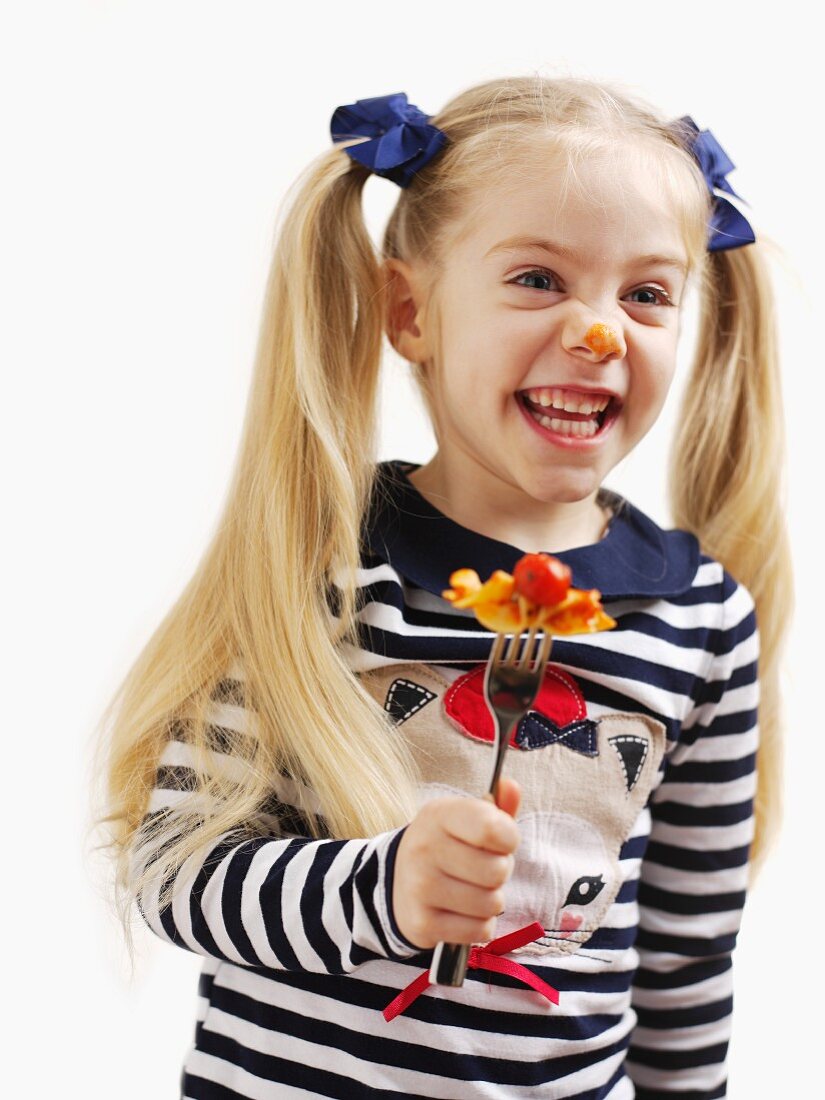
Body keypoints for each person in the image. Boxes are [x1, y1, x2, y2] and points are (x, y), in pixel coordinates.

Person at [92, 75, 792, 1098]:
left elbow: (685, 963)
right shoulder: (317, 567)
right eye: (539, 279)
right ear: (411, 311)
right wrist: (382, 887)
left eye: (645, 293)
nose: (600, 333)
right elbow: (174, 872)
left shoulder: (703, 620)